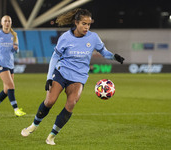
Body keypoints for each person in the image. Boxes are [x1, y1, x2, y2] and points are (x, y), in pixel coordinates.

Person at [21, 8, 124, 145]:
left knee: (71, 104)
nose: (87, 27)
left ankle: (51, 136)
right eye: (84, 24)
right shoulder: (65, 37)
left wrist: (114, 57)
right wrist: (49, 78)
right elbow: (55, 57)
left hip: (79, 77)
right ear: (76, 23)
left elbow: (103, 52)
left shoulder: (93, 38)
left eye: (89, 24)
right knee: (50, 101)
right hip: (62, 72)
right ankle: (34, 125)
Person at [0, 15, 26, 117]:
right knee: (11, 86)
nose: (7, 23)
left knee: (6, 90)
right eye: (5, 21)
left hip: (10, 64)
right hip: (0, 63)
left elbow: (16, 51)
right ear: (1, 23)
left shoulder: (14, 35)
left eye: (9, 21)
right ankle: (16, 109)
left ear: (11, 23)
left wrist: (15, 48)